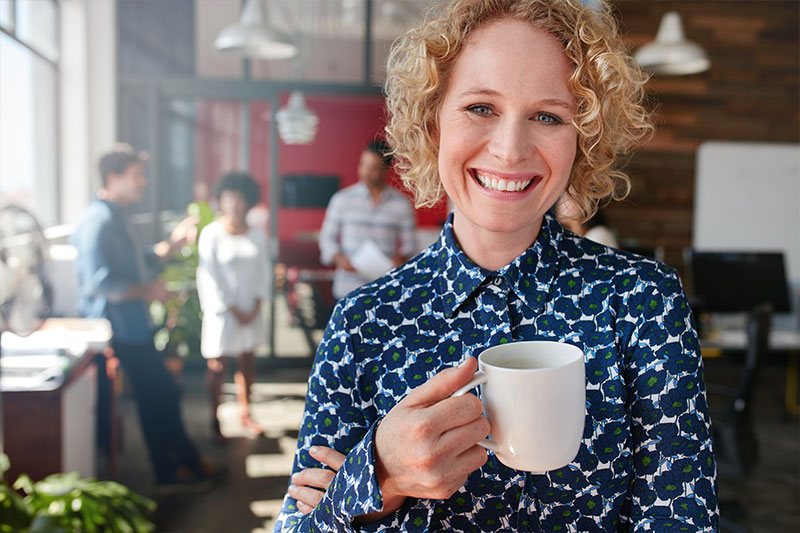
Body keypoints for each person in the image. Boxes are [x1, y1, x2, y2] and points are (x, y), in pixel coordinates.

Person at [275, 0, 718, 531]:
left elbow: (683, 518)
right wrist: (381, 476)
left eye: (548, 116)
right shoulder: (361, 325)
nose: (510, 150)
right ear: (432, 119)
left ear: (582, 142)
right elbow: (299, 525)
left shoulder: (643, 302)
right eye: (481, 108)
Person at [71, 143, 214, 489]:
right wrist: (149, 292)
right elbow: (99, 281)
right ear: (113, 177)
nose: (144, 182)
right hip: (116, 331)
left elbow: (136, 264)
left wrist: (171, 246)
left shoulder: (118, 216)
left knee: (161, 394)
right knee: (161, 394)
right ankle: (178, 466)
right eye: (137, 176)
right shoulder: (99, 221)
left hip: (132, 327)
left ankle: (175, 467)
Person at [196, 171, 270, 439]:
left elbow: (264, 270)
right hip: (222, 312)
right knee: (217, 366)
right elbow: (208, 276)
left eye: (240, 200)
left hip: (251, 310)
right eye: (229, 199)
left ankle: (246, 412)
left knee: (247, 362)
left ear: (249, 202)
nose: (234, 205)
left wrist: (257, 304)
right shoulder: (211, 234)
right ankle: (214, 418)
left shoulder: (258, 235)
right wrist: (231, 308)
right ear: (221, 201)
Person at [318, 139, 417, 300]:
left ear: (386, 169)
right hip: (347, 290)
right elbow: (326, 238)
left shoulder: (402, 205)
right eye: (363, 165)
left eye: (373, 168)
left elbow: (411, 246)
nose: (365, 172)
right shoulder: (342, 199)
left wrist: (402, 258)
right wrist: (338, 259)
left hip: (385, 291)